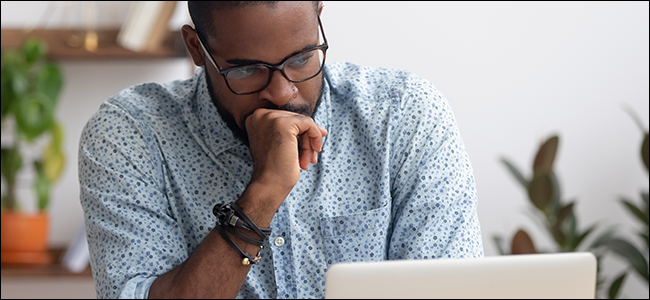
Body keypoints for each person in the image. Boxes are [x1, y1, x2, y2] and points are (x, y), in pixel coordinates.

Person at [78, 1, 484, 298]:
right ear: (197, 49)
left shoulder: (403, 116)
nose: (283, 91)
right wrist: (263, 194)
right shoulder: (130, 134)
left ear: (319, 17)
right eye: (247, 69)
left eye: (302, 57)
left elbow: (451, 290)